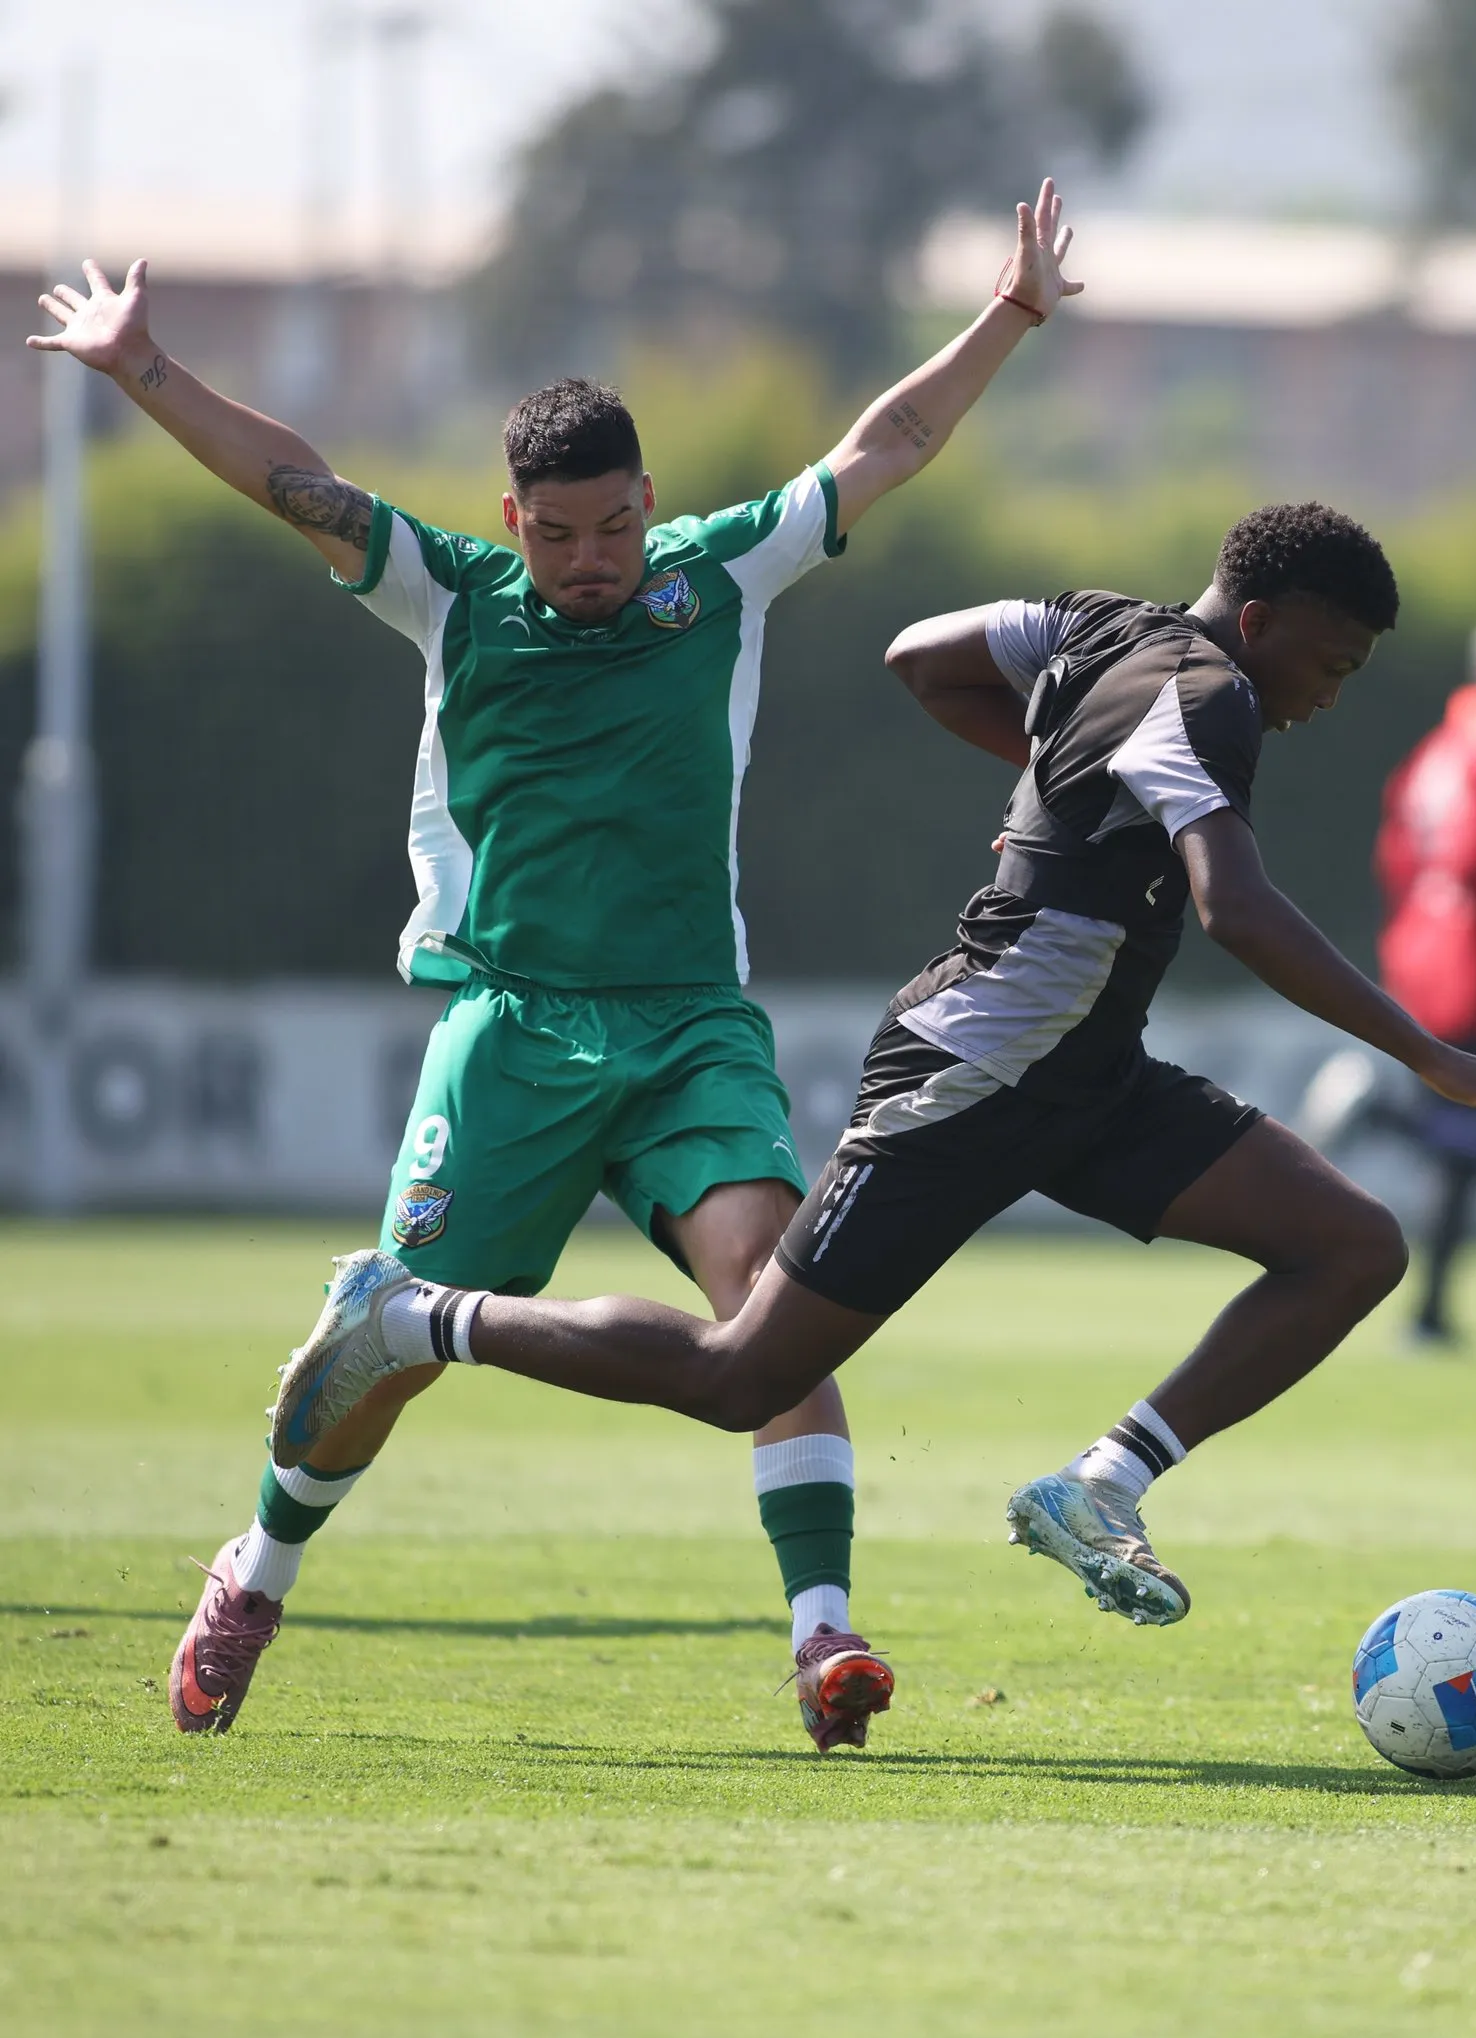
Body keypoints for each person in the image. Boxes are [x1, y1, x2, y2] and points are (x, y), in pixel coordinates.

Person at [29, 180, 1086, 1751]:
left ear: (646, 503)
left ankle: (823, 1639)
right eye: (563, 534)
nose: (593, 560)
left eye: (616, 527)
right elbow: (298, 485)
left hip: (685, 1032)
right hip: (510, 1033)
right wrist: (145, 370)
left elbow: (889, 444)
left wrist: (1004, 314)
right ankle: (254, 1573)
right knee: (387, 1350)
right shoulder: (451, 594)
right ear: (514, 516)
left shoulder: (719, 577)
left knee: (778, 1294)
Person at [267, 502, 1476, 1748]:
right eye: (1329, 664)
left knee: (1352, 1243)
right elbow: (1240, 909)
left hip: (1087, 1075)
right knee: (745, 1375)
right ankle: (410, 1316)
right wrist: (1435, 1058)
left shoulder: (1098, 626)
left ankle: (1100, 1487)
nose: (1326, 695)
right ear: (1260, 619)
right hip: (976, 1071)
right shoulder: (1206, 696)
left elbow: (922, 655)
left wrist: (1062, 771)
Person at [1298, 614, 1476, 1344]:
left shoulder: (1440, 751)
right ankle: (1375, 1116)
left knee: (1473, 1141)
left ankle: (1430, 1311)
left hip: (1425, 951)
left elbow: (1400, 856)